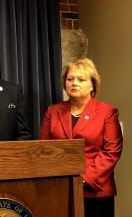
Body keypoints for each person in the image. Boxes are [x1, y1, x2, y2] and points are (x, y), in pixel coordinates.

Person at [40, 58, 123, 217]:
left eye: (81, 79)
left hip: (96, 191)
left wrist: (83, 179)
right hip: (59, 188)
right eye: (70, 79)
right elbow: (44, 149)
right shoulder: (52, 111)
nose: (74, 83)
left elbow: (111, 152)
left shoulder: (107, 112)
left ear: (93, 85)